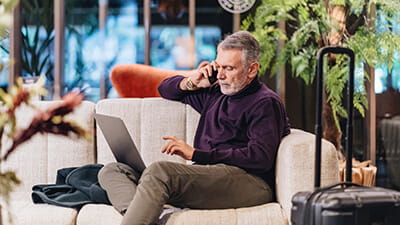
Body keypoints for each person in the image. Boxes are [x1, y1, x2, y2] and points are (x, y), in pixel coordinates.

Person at [98, 30, 290, 225]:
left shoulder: (265, 102)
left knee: (160, 172)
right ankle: (144, 213)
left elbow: (260, 158)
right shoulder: (215, 93)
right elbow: (165, 89)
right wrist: (192, 81)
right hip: (208, 176)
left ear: (252, 69)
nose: (221, 75)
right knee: (112, 170)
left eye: (229, 68)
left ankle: (143, 211)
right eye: (218, 66)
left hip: (250, 182)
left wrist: (196, 154)